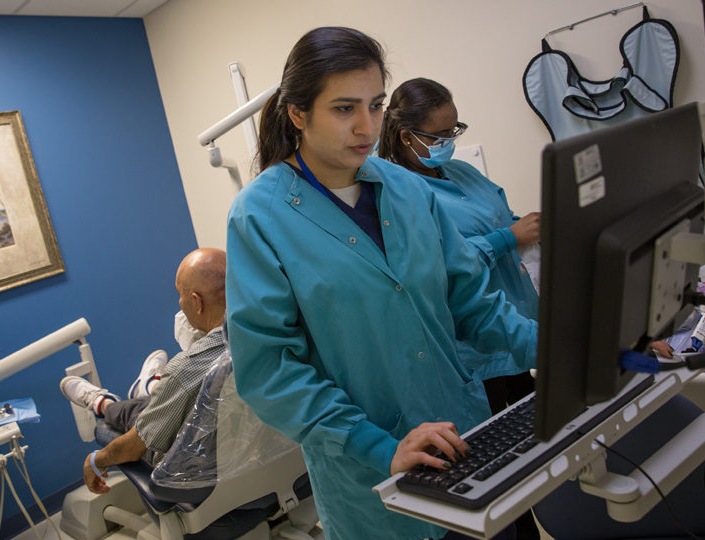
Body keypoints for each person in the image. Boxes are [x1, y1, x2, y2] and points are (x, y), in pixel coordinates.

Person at [225, 27, 536, 540]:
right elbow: (269, 371)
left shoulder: (411, 192)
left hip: (464, 439)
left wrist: (568, 349)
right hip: (370, 479)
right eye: (344, 109)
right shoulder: (259, 217)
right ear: (298, 113)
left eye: (375, 105)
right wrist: (379, 446)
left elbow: (474, 306)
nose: (366, 127)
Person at [379, 78, 539, 415]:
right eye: (440, 137)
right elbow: (441, 268)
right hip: (474, 348)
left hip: (517, 323)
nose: (449, 143)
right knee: (496, 443)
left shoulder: (461, 172)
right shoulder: (400, 195)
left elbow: (500, 218)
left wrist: (531, 225)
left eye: (454, 131)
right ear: (407, 137)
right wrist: (509, 237)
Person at [59, 247, 227, 494]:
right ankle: (149, 387)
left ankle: (102, 403)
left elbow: (135, 447)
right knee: (160, 401)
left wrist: (96, 460)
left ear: (196, 301)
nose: (179, 304)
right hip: (267, 473)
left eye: (180, 295)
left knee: (139, 414)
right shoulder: (273, 332)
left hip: (200, 483)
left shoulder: (186, 369)